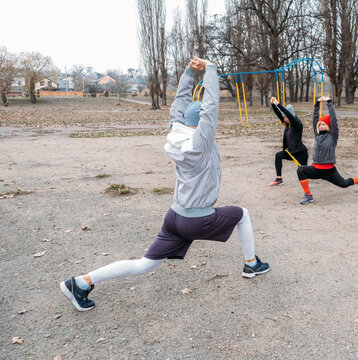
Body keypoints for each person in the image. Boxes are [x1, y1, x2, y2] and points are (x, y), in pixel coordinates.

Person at [60, 57, 270, 312]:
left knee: (143, 265)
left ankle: (81, 282)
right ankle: (251, 264)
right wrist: (211, 68)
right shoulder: (201, 144)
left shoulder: (176, 133)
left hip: (175, 216)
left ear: (183, 122)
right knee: (242, 214)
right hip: (197, 220)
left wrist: (188, 73)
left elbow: (179, 104)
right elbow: (211, 105)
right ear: (201, 123)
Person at [296, 96, 358, 205]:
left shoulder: (333, 136)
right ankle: (308, 196)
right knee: (301, 170)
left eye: (323, 124)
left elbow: (334, 120)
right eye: (320, 125)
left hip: (329, 171)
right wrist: (317, 104)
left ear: (328, 126)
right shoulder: (317, 135)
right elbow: (315, 118)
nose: (321, 126)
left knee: (344, 184)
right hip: (316, 169)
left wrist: (329, 102)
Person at [268, 96, 308, 186]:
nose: (285, 119)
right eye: (284, 117)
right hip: (291, 152)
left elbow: (288, 115)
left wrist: (278, 104)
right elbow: (279, 114)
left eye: (286, 117)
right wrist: (273, 105)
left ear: (291, 116)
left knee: (304, 174)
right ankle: (279, 179)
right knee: (278, 155)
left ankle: (322, 173)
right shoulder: (287, 124)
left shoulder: (297, 124)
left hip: (301, 153)